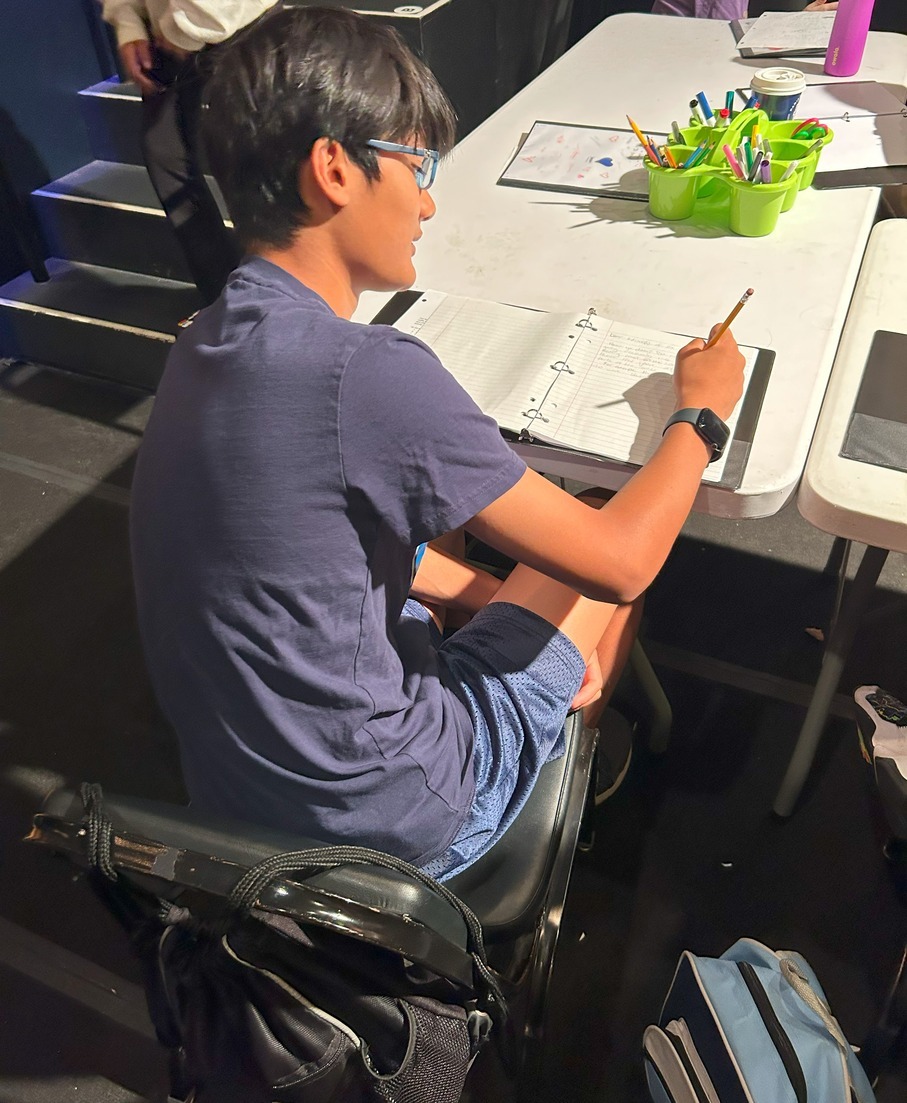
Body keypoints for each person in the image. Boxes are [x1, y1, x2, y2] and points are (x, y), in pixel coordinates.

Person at [129, 6, 745, 881]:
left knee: (455, 537)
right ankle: (567, 767)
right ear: (332, 168)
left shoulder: (205, 337)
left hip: (236, 796)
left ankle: (537, 694)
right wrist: (701, 415)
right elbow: (619, 561)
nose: (426, 201)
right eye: (417, 166)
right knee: (600, 525)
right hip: (395, 820)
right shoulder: (366, 372)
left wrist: (487, 593)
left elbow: (303, 542)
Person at [100, 0, 279, 304]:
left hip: (234, 19)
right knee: (165, 153)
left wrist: (182, 30)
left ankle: (283, 299)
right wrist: (129, 21)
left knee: (252, 168)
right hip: (171, 29)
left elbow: (211, 15)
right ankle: (229, 299)